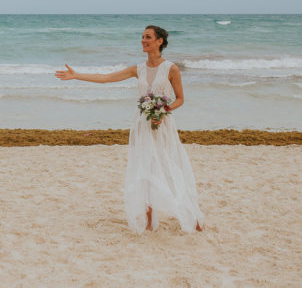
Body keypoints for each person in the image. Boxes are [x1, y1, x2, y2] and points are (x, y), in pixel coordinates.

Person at [55, 26, 205, 234]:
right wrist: (77, 75)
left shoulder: (171, 69)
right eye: (142, 37)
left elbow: (180, 99)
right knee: (145, 168)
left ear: (160, 41)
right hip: (142, 124)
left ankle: (192, 216)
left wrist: (162, 112)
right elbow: (107, 78)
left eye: (148, 37)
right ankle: (149, 220)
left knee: (170, 167)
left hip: (162, 126)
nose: (143, 40)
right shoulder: (138, 69)